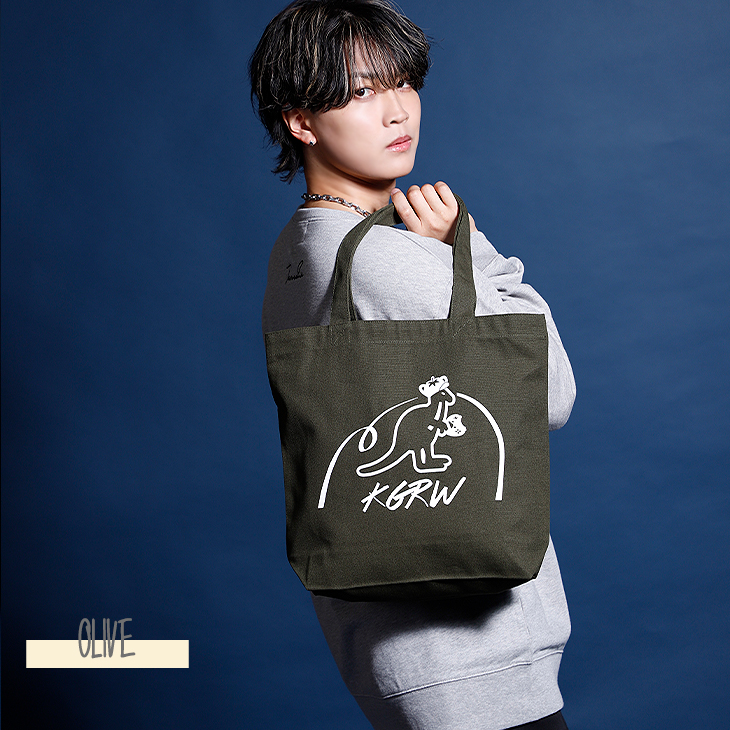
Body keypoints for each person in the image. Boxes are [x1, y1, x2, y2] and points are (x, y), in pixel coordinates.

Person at [250, 2, 576, 728]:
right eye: (361, 92)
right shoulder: (388, 260)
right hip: (474, 662)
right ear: (301, 121)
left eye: (403, 82)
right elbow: (551, 392)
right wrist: (466, 247)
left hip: (399, 656)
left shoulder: (297, 249)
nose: (397, 110)